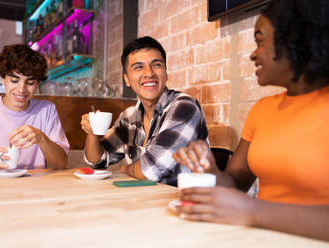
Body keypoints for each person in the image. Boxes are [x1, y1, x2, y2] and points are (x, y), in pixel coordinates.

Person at [173, 0, 329, 241]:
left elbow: (252, 209)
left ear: (295, 39)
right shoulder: (262, 110)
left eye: (260, 40)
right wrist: (211, 170)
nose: (252, 54)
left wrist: (254, 211)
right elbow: (235, 182)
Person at [81, 36, 208, 186]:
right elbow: (98, 160)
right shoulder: (129, 117)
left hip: (186, 203)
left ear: (166, 72)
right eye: (139, 67)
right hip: (147, 202)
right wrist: (92, 133)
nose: (149, 73)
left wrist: (126, 170)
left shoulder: (184, 107)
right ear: (127, 79)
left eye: (157, 64)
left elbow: (151, 171)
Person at [0, 44, 69, 172]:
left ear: (38, 83)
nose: (21, 90)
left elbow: (61, 163)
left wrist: (41, 138)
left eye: (30, 83)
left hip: (34, 188)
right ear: (2, 78)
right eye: (14, 80)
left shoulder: (46, 110)